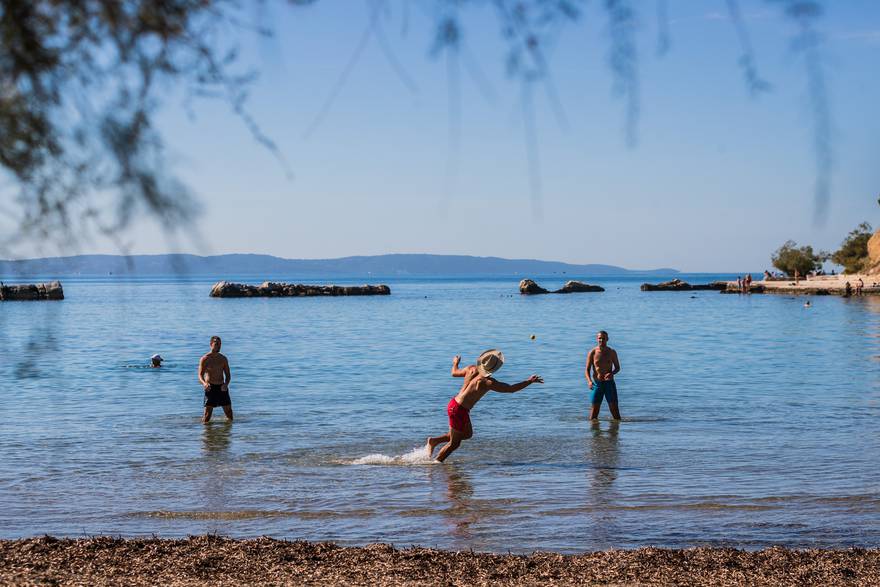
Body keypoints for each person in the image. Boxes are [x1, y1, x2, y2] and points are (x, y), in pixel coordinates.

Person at [426, 350, 543, 462]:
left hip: (454, 404)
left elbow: (454, 372)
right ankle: (436, 464)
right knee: (454, 443)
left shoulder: (471, 369)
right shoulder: (487, 382)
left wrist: (455, 363)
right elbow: (510, 389)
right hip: (459, 410)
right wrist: (529, 381)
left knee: (467, 434)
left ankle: (434, 441)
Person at [585, 330, 621, 420]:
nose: (601, 340)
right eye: (600, 338)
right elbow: (587, 370)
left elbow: (617, 367)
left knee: (615, 411)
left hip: (609, 384)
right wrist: (589, 381)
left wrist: (612, 373)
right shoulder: (592, 352)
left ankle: (615, 432)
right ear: (597, 339)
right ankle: (594, 433)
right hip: (597, 384)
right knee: (594, 413)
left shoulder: (612, 352)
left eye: (603, 338)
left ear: (607, 339)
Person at [198, 335, 233, 422]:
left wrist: (226, 384)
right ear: (211, 344)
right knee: (207, 416)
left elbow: (228, 375)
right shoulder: (205, 359)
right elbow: (200, 375)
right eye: (216, 344)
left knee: (229, 413)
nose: (219, 346)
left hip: (222, 387)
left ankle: (228, 433)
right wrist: (204, 383)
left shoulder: (223, 359)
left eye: (220, 344)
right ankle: (206, 434)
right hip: (210, 388)